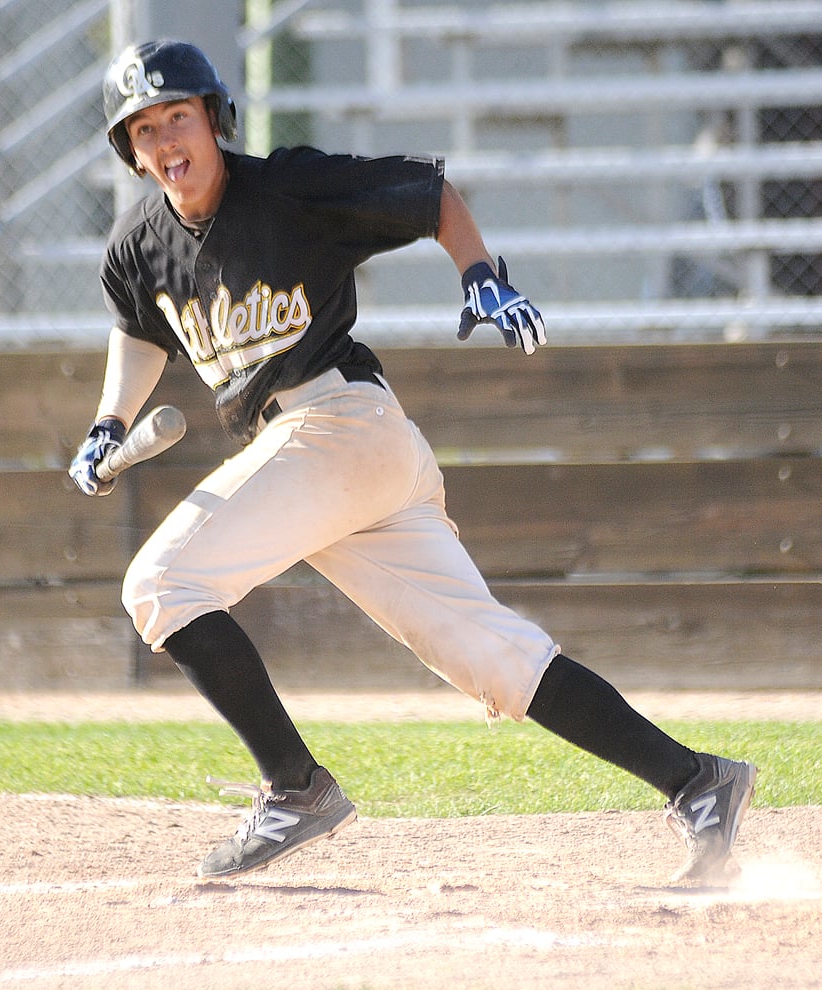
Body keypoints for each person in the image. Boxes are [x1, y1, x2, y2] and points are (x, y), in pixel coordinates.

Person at [70, 40, 756, 884]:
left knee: (160, 585)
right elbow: (143, 328)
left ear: (214, 118)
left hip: (340, 428)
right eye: (143, 129)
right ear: (129, 151)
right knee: (494, 659)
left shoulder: (287, 186)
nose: (166, 139)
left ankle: (294, 789)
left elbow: (430, 193)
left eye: (179, 115)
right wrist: (108, 422)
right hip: (327, 463)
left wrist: (480, 274)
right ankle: (700, 782)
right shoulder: (138, 242)